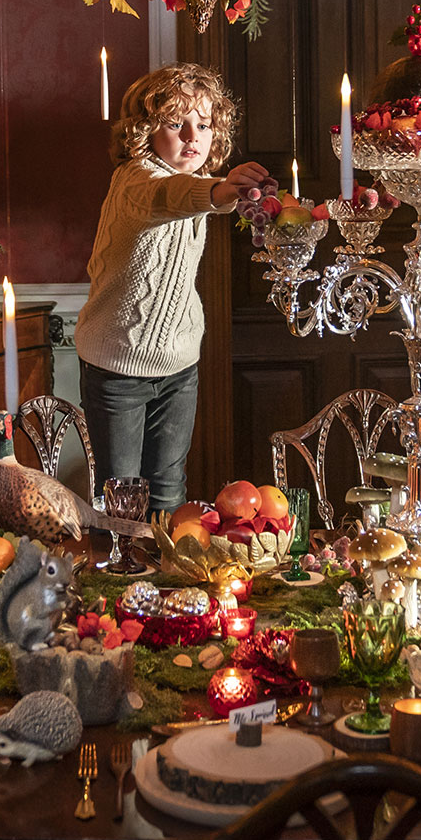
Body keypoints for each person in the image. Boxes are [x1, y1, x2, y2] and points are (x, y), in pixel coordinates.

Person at [73, 63, 268, 517]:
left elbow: (201, 195)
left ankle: (164, 586)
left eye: (203, 124)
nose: (191, 135)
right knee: (122, 502)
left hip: (179, 364)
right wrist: (220, 190)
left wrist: (229, 193)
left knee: (168, 491)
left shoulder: (200, 183)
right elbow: (171, 197)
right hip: (118, 365)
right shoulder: (135, 180)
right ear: (145, 130)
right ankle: (120, 584)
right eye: (175, 124)